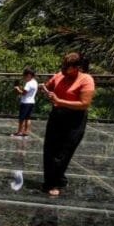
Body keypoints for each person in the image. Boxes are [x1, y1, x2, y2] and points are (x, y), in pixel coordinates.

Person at [41, 53, 95, 196]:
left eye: (67, 67)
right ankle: (50, 180)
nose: (63, 69)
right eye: (63, 66)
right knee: (50, 149)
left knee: (63, 151)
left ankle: (55, 182)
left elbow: (84, 104)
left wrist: (60, 101)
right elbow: (48, 87)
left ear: (77, 68)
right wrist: (46, 90)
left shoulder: (86, 80)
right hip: (57, 115)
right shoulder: (59, 75)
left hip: (74, 119)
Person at [13, 67, 38, 137]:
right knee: (28, 118)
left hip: (25, 102)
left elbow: (23, 93)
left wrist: (17, 89)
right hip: (32, 102)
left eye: (25, 76)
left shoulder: (29, 83)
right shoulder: (35, 82)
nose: (24, 77)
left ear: (29, 75)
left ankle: (19, 131)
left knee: (22, 118)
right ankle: (26, 131)